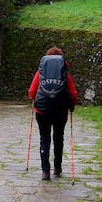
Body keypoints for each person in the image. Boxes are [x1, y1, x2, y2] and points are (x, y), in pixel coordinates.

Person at [28, 47, 78, 180]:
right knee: (58, 138)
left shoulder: (41, 73)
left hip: (42, 110)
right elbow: (73, 93)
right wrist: (71, 106)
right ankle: (57, 167)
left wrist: (35, 100)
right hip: (60, 111)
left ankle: (45, 171)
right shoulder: (64, 73)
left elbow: (31, 92)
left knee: (44, 139)